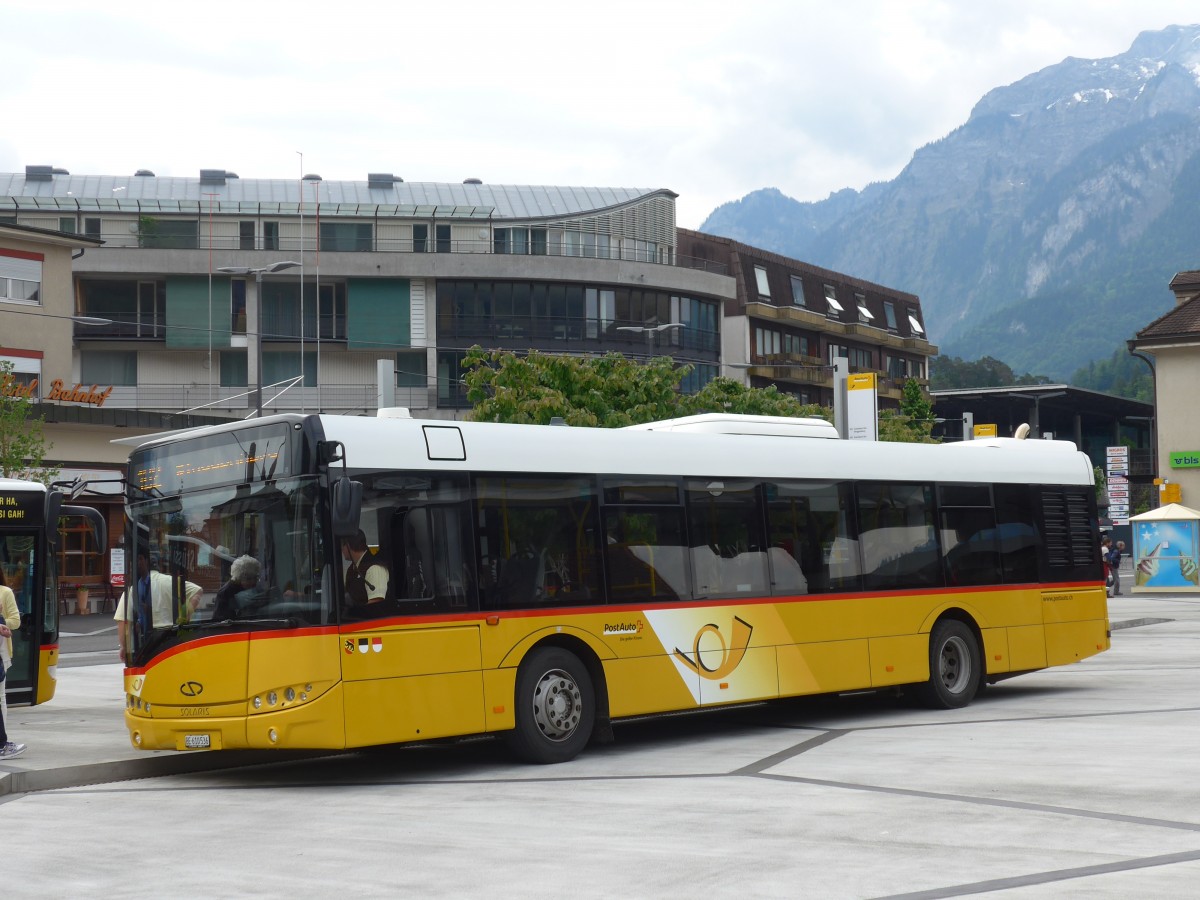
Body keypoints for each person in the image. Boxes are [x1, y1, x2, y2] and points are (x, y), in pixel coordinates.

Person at [113, 548, 202, 664]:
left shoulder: (132, 589)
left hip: (150, 644)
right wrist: (184, 616)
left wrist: (124, 648)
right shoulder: (170, 581)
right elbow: (198, 591)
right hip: (173, 639)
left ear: (145, 562)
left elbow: (122, 621)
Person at [0, 569, 24, 759]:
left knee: (1, 698)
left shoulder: (5, 592)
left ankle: (3, 741)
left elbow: (15, 621)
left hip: (1, 650)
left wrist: (2, 622)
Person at [342, 530, 389, 608]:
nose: (341, 550)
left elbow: (376, 603)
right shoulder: (352, 569)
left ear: (348, 546)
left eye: (342, 546)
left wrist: (355, 613)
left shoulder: (374, 569)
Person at [212, 555, 262, 620]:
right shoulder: (225, 593)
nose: (253, 582)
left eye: (255, 577)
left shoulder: (254, 589)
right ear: (238, 577)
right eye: (248, 578)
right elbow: (220, 620)